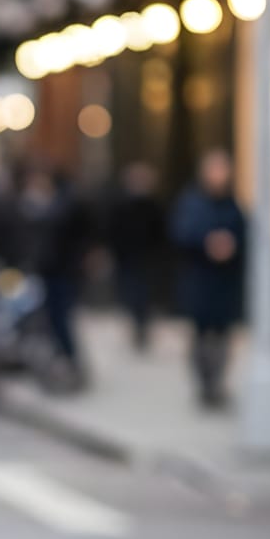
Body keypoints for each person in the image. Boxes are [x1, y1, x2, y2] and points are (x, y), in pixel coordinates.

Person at [170, 149, 245, 409]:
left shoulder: (232, 204)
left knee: (223, 336)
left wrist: (231, 246)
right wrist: (207, 242)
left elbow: (244, 234)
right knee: (201, 336)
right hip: (199, 280)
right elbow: (181, 234)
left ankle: (217, 383)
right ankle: (205, 384)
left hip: (225, 282)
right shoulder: (192, 202)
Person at [14, 165, 88, 382]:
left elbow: (74, 235)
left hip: (62, 270)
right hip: (42, 270)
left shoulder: (63, 205)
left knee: (61, 317)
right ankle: (58, 360)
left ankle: (70, 359)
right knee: (46, 317)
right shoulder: (28, 206)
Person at [104, 162, 168, 350]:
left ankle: (143, 325)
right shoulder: (121, 205)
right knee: (131, 293)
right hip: (127, 258)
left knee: (144, 295)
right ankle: (137, 324)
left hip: (146, 259)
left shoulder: (153, 205)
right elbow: (113, 230)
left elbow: (160, 232)